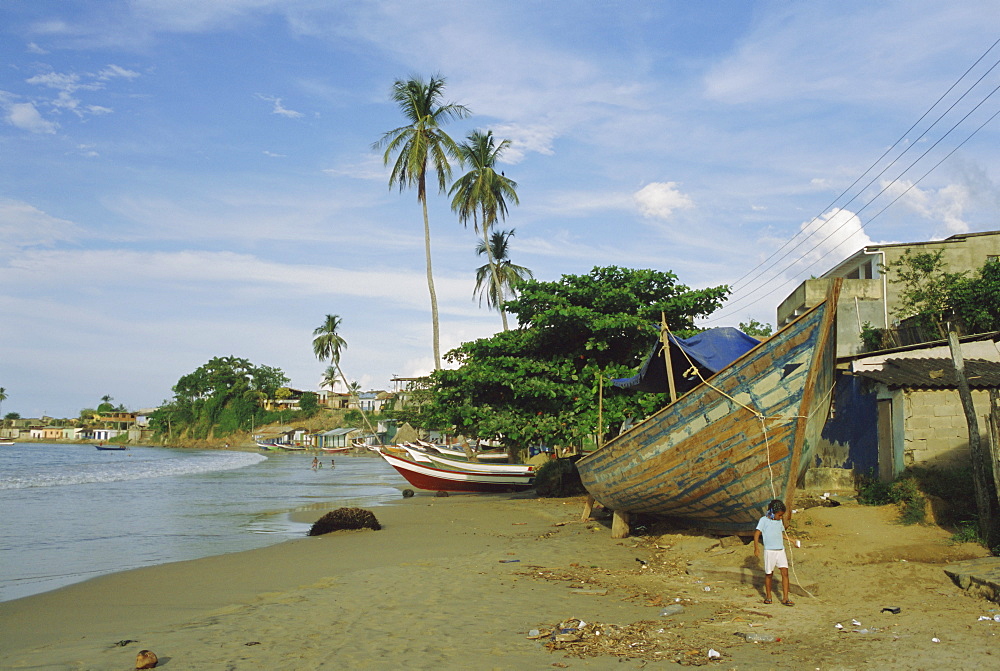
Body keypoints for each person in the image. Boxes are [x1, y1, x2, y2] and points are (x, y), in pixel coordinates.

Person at [753, 499, 793, 606]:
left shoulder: (779, 521)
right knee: (769, 574)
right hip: (769, 551)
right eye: (779, 515)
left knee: (785, 573)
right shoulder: (763, 520)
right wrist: (756, 548)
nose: (781, 517)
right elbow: (757, 534)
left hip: (780, 550)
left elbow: (780, 534)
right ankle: (768, 596)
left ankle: (785, 598)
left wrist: (792, 540)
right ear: (772, 512)